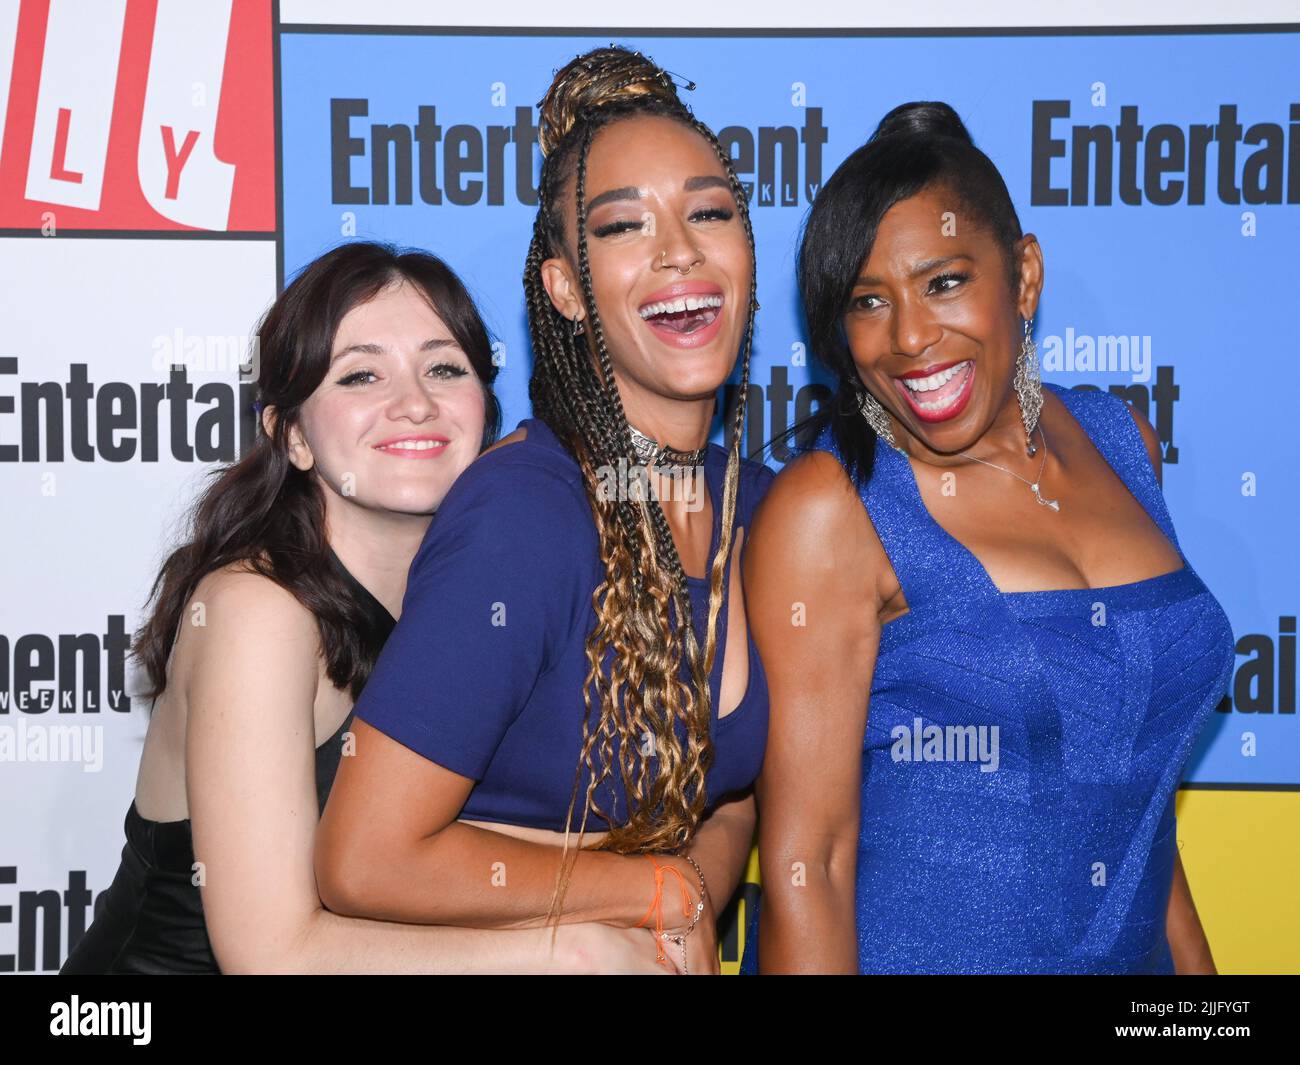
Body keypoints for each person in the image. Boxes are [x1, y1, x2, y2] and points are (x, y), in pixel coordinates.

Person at [61, 241, 661, 974]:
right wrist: (565, 950)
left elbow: (466, 848)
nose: (415, 402)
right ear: (293, 436)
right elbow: (272, 955)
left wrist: (652, 883)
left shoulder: (479, 603)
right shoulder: (256, 612)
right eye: (361, 374)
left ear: (488, 411)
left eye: (444, 367)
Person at [740, 102, 1234, 974]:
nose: (909, 338)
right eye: (867, 301)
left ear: (1025, 275)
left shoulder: (1124, 442)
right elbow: (806, 865)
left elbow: (1136, 805)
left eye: (943, 282)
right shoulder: (830, 509)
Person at [315, 47, 773, 974]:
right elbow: (362, 859)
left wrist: (696, 894)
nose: (679, 248)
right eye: (622, 227)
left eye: (710, 212)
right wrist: (650, 891)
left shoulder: (762, 504)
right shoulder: (525, 514)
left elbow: (728, 791)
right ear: (566, 289)